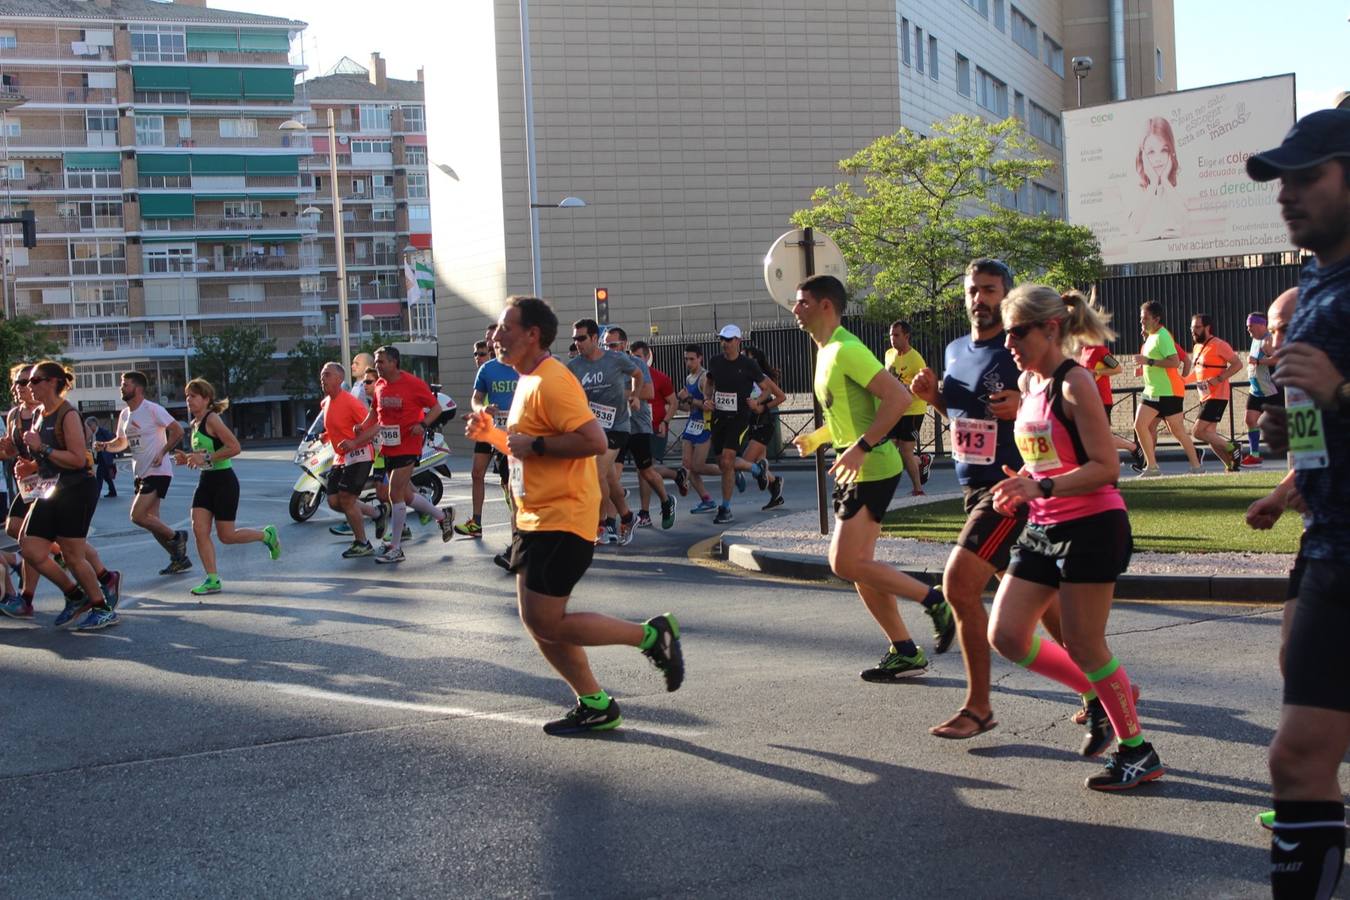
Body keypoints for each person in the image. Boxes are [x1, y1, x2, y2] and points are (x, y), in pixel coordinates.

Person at [465, 295, 684, 736]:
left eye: (506, 328)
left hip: (563, 517)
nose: (497, 336)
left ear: (532, 335)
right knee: (538, 622)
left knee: (545, 621)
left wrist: (538, 446)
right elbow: (527, 448)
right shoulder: (527, 380)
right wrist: (495, 435)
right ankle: (595, 703)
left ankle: (650, 636)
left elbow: (593, 440)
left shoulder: (552, 381)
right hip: (535, 516)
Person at [985, 285, 1163, 790]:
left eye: (1017, 331)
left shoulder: (1075, 382)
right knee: (1007, 634)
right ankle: (1108, 694)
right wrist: (1019, 481)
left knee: (1085, 641)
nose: (1009, 343)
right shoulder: (1028, 382)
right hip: (1044, 524)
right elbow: (1047, 455)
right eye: (1006, 332)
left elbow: (1106, 469)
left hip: (1092, 526)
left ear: (1051, 328)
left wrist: (1037, 483)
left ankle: (1137, 750)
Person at [1244, 107, 1350, 900]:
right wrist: (1294, 419)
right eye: (1282, 180)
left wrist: (1341, 391)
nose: (1287, 193)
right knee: (1299, 758)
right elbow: (1315, 411)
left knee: (1300, 756)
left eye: (1308, 175)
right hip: (1330, 542)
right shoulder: (1314, 280)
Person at [910, 258, 1065, 739]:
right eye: (973, 290)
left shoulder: (1019, 348)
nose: (980, 299)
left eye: (990, 290)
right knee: (1045, 605)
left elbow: (1063, 394)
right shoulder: (956, 349)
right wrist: (933, 396)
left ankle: (979, 707)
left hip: (1008, 487)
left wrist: (1025, 405)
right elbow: (962, 415)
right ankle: (1099, 684)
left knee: (958, 585)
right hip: (971, 486)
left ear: (1007, 295)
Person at [791, 275, 955, 682]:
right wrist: (817, 438)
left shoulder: (847, 348)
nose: (795, 310)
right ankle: (904, 650)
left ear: (826, 305)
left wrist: (861, 446)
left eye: (803, 302)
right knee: (858, 566)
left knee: (845, 562)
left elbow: (899, 399)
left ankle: (933, 600)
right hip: (857, 466)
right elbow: (849, 418)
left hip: (874, 466)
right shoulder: (826, 351)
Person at [8, 361, 118, 630]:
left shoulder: (67, 415)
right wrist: (29, 464)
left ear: (53, 382)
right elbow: (43, 460)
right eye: (27, 382)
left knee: (72, 555)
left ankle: (102, 607)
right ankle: (75, 595)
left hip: (76, 489)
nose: (29, 386)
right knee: (30, 547)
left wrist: (42, 450)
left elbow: (79, 459)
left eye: (35, 381)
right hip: (49, 488)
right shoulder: (38, 415)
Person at [345, 346, 454, 563]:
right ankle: (442, 516)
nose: (377, 365)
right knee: (405, 495)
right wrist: (363, 426)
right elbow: (375, 413)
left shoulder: (412, 383)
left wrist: (422, 424)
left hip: (409, 445)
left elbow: (436, 409)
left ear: (394, 362)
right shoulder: (380, 386)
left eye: (381, 361)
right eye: (376, 362)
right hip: (389, 446)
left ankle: (395, 548)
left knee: (394, 493)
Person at [173, 378, 280, 595]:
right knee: (199, 530)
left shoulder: (213, 420)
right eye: (187, 397)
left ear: (206, 398)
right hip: (206, 481)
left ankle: (267, 536)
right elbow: (203, 456)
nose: (188, 400)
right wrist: (188, 459)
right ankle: (212, 579)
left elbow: (235, 447)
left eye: (193, 396)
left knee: (226, 536)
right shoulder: (194, 424)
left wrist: (207, 457)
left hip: (224, 481)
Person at [94, 371, 190, 574]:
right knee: (152, 522)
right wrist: (104, 446)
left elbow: (178, 430)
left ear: (137, 389)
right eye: (122, 384)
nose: (122, 388)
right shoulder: (125, 414)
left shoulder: (152, 409)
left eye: (125, 384)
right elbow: (121, 443)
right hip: (140, 472)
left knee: (137, 516)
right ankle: (178, 558)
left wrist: (163, 452)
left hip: (158, 470)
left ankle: (177, 536)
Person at [567, 318, 641, 544]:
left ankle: (600, 526)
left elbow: (637, 374)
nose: (578, 343)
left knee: (597, 474)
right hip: (591, 428)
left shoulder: (617, 359)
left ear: (594, 338)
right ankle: (627, 517)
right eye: (575, 339)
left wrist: (635, 395)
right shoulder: (574, 367)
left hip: (617, 426)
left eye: (581, 338)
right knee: (609, 479)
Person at [606, 327, 677, 530]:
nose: (610, 350)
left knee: (646, 472)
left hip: (638, 425)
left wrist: (620, 393)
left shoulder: (636, 364)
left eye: (613, 345)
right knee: (612, 475)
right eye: (606, 345)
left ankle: (665, 500)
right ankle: (611, 522)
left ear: (624, 344)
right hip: (616, 427)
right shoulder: (605, 366)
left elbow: (649, 392)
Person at [704, 324, 774, 524]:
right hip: (719, 418)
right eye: (722, 340)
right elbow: (709, 382)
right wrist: (707, 397)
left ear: (738, 341)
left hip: (739, 418)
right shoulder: (715, 362)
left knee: (727, 461)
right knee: (722, 464)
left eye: (729, 339)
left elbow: (766, 390)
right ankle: (757, 470)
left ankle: (725, 508)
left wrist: (757, 401)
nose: (724, 344)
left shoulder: (749, 364)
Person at [318, 363, 385, 558]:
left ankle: (362, 543)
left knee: (347, 500)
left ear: (339, 379)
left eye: (327, 375)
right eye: (322, 376)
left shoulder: (351, 402)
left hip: (360, 454)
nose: (323, 379)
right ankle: (377, 513)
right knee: (334, 501)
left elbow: (374, 426)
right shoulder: (326, 403)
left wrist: (354, 441)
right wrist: (326, 436)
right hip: (341, 457)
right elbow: (337, 428)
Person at [1132, 300, 1201, 477]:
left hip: (1167, 392)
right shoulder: (1150, 337)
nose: (1142, 322)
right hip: (1153, 391)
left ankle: (1196, 466)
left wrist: (1148, 361)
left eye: (1145, 318)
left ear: (1156, 319)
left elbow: (1175, 361)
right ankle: (1152, 466)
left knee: (1176, 431)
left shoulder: (1163, 336)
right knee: (1141, 426)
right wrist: (1144, 367)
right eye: (1141, 319)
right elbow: (1155, 362)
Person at [461, 337, 517, 538]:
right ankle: (476, 522)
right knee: (477, 473)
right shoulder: (486, 370)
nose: (479, 357)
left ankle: (519, 528)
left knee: (510, 481)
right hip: (490, 429)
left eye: (482, 353)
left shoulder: (523, 366)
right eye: (476, 354)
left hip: (516, 433)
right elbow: (476, 398)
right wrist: (481, 408)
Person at [629, 339, 682, 527]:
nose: (636, 361)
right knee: (644, 470)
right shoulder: (628, 375)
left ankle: (645, 512)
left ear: (648, 356)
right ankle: (677, 476)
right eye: (632, 357)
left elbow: (674, 402)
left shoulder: (660, 377)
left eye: (639, 357)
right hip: (633, 427)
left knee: (644, 469)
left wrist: (665, 422)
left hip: (655, 428)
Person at [1188, 313, 1244, 471]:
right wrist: (1181, 380)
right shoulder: (1197, 346)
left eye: (1197, 328)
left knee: (1198, 432)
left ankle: (1232, 447)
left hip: (1217, 395)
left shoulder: (1219, 344)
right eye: (1192, 328)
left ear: (1207, 327)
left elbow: (1237, 364)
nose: (1194, 331)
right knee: (1210, 434)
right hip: (1204, 396)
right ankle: (1230, 465)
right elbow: (1198, 372)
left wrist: (1220, 378)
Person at [883, 320, 932, 495]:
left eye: (896, 335)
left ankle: (918, 489)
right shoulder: (889, 354)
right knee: (889, 447)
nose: (892, 339)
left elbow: (926, 387)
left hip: (913, 410)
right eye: (890, 335)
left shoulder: (916, 359)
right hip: (895, 409)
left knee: (905, 449)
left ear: (906, 336)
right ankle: (920, 461)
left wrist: (907, 389)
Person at [674, 344, 721, 513]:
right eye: (686, 359)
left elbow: (709, 406)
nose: (688, 362)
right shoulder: (688, 378)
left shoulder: (704, 378)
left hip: (704, 425)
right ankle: (706, 500)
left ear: (700, 358)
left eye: (692, 359)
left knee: (698, 466)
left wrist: (689, 398)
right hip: (691, 423)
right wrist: (679, 403)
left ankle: (729, 471)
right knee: (687, 465)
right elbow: (691, 406)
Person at [739, 344, 787, 510]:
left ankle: (774, 481)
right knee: (759, 465)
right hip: (752, 423)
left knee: (745, 462)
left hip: (764, 423)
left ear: (755, 360)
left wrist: (762, 406)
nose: (741, 358)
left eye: (745, 356)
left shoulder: (763, 378)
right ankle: (775, 487)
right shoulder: (746, 377)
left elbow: (781, 397)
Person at [1129, 116, 1185, 240]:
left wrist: (1165, 181)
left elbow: (1186, 224)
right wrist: (1153, 183)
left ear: (1171, 152)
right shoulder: (1136, 190)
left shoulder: (1179, 186)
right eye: (1151, 152)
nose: (1158, 158)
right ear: (1142, 155)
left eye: (1164, 150)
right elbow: (1133, 228)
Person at [1244, 307, 1285, 466]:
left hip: (1271, 390)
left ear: (1261, 325)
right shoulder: (1255, 339)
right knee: (1250, 419)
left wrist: (1259, 362)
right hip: (1256, 391)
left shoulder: (1268, 340)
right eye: (1247, 327)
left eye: (1250, 326)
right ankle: (1254, 454)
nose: (1248, 329)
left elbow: (1278, 358)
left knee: (1283, 422)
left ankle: (1297, 450)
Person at [85, 416, 118, 498]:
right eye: (88, 426)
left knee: (99, 476)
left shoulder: (103, 432)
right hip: (99, 457)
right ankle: (112, 491)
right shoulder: (92, 434)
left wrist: (114, 454)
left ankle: (96, 494)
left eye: (90, 425)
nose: (89, 427)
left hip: (105, 457)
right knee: (107, 476)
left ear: (95, 424)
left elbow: (111, 441)